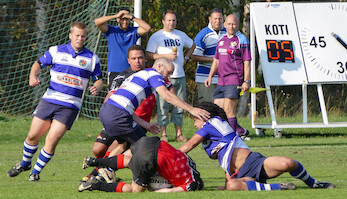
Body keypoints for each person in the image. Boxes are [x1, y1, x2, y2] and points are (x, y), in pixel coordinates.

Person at [7, 21, 104, 181]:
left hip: (70, 106)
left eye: (83, 36)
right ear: (70, 35)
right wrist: (32, 76)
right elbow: (38, 64)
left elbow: (99, 79)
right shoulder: (56, 51)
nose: (80, 39)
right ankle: (25, 164)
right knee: (32, 136)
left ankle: (35, 173)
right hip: (49, 100)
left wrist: (97, 87)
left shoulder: (92, 58)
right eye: (77, 35)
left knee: (51, 140)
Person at [179, 101, 336, 191]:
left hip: (254, 162)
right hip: (237, 174)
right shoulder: (210, 136)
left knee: (288, 163)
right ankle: (278, 187)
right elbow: (226, 158)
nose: (194, 124)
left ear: (204, 116)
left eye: (195, 119)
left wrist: (169, 154)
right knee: (232, 186)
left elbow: (189, 144)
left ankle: (313, 183)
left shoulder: (213, 123)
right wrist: (226, 181)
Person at [81, 45, 173, 183]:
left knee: (124, 148)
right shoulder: (123, 77)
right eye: (134, 58)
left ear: (145, 59)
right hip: (118, 116)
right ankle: (105, 171)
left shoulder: (153, 74)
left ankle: (96, 176)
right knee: (99, 149)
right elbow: (109, 98)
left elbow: (169, 91)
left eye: (141, 58)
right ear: (128, 60)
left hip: (137, 122)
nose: (138, 61)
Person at [98, 57, 209, 152]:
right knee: (146, 148)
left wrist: (146, 125)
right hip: (117, 114)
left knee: (124, 146)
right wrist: (191, 109)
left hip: (107, 110)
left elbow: (127, 110)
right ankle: (141, 177)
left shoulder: (141, 75)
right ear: (159, 66)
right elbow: (166, 95)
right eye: (169, 72)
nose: (168, 77)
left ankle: (98, 173)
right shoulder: (153, 74)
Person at [78, 136, 204, 193]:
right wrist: (156, 190)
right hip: (151, 158)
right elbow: (166, 191)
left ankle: (95, 161)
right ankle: (95, 185)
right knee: (136, 189)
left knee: (130, 161)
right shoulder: (192, 183)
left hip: (150, 141)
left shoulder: (188, 160)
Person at [146, 10, 196, 142]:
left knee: (180, 105)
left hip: (179, 74)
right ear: (163, 21)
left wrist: (186, 57)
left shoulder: (180, 35)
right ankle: (163, 134)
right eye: (168, 20)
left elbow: (193, 45)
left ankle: (179, 133)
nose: (171, 23)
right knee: (163, 105)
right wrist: (165, 56)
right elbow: (148, 55)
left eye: (173, 20)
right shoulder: (156, 36)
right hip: (163, 77)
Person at [205, 14, 250, 137]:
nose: (231, 26)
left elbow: (247, 62)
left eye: (234, 24)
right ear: (225, 24)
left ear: (238, 25)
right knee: (219, 112)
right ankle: (240, 131)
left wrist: (246, 81)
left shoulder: (242, 40)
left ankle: (232, 137)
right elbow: (216, 60)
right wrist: (210, 76)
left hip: (234, 79)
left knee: (229, 111)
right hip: (221, 81)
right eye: (229, 24)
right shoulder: (222, 40)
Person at [95, 7, 151, 90]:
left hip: (131, 70)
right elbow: (97, 22)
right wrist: (115, 15)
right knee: (113, 98)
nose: (125, 21)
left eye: (127, 19)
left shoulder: (133, 31)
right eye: (122, 18)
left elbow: (147, 28)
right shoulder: (111, 30)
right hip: (114, 71)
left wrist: (133, 17)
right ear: (118, 19)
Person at [192, 8, 226, 103]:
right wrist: (214, 59)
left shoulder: (228, 33)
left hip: (224, 77)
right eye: (215, 19)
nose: (217, 21)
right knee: (207, 109)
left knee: (223, 110)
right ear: (210, 19)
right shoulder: (203, 35)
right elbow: (194, 56)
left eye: (220, 18)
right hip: (205, 76)